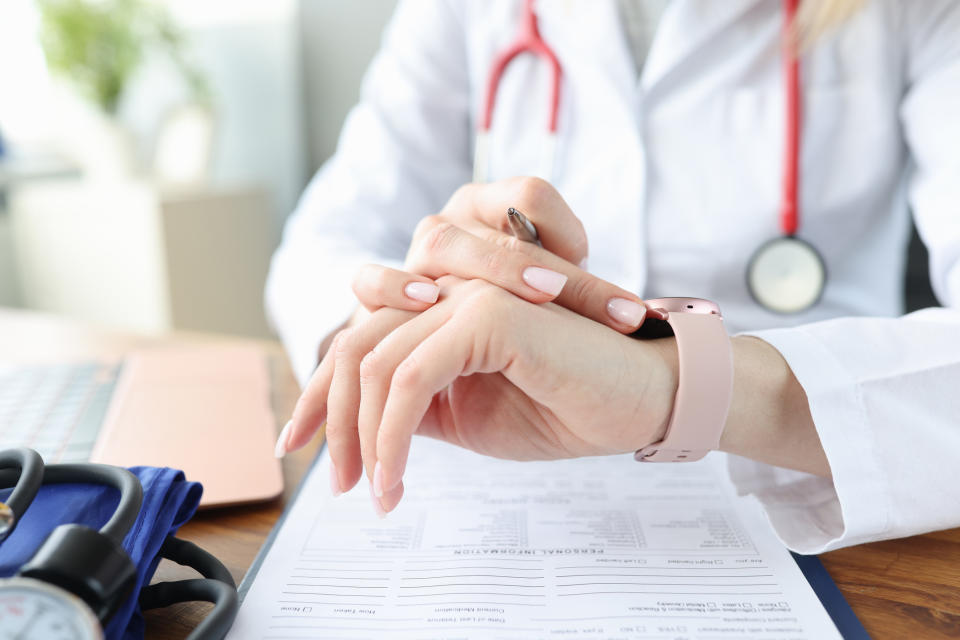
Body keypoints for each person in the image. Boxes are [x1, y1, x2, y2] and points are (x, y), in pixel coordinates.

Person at [266, 0, 960, 555]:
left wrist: (675, 388)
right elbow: (320, 246)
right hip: (503, 475)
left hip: (823, 474)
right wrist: (402, 311)